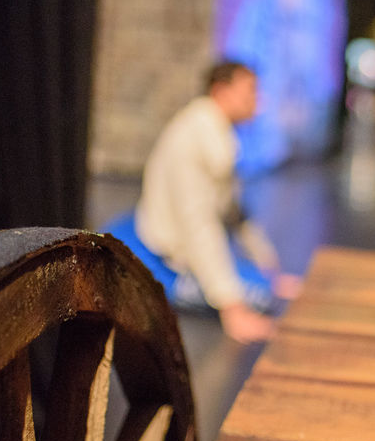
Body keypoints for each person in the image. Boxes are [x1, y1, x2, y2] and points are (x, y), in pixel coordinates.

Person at [109, 60, 299, 343]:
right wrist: (232, 309)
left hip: (180, 249)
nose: (257, 101)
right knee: (258, 296)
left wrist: (268, 267)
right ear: (222, 91)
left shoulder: (216, 131)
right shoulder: (196, 136)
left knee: (264, 285)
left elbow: (233, 210)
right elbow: (197, 224)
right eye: (250, 91)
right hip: (165, 259)